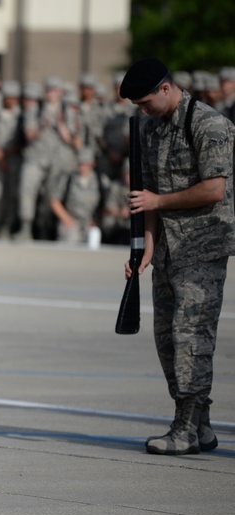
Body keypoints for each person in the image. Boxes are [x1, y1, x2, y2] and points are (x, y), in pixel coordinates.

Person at [121, 57, 235, 456]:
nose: (142, 110)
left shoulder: (209, 124)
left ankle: (185, 428)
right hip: (168, 249)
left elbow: (213, 190)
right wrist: (146, 248)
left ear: (166, 89)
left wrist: (159, 200)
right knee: (167, 339)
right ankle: (200, 427)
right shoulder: (152, 131)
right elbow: (146, 196)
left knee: (191, 339)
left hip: (203, 247)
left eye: (146, 101)